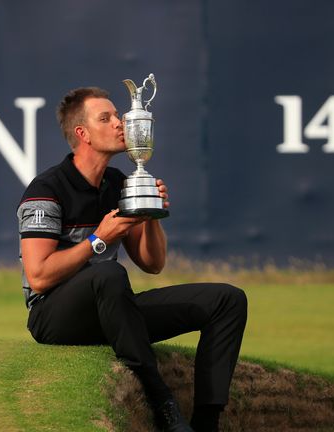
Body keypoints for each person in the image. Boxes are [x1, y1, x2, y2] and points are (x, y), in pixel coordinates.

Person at [16, 86, 247, 432]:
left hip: (113, 309)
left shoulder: (119, 183)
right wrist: (98, 239)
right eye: (105, 118)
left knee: (228, 300)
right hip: (54, 316)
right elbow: (39, 277)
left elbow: (152, 264)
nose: (119, 123)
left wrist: (150, 213)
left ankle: (207, 421)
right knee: (108, 273)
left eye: (118, 116)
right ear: (83, 134)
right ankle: (161, 401)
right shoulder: (46, 190)